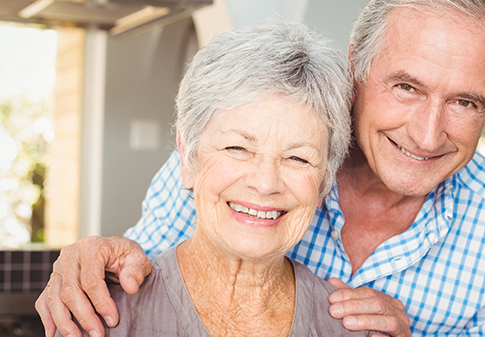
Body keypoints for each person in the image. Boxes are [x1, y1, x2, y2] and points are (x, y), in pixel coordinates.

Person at [37, 0, 485, 337]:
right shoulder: (226, 157)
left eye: (465, 102)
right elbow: (142, 281)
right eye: (406, 87)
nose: (428, 135)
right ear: (355, 69)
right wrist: (89, 264)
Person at [56, 20, 371, 336]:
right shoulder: (99, 317)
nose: (265, 183)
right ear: (188, 157)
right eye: (238, 147)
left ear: (323, 184)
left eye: (297, 158)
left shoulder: (355, 331)